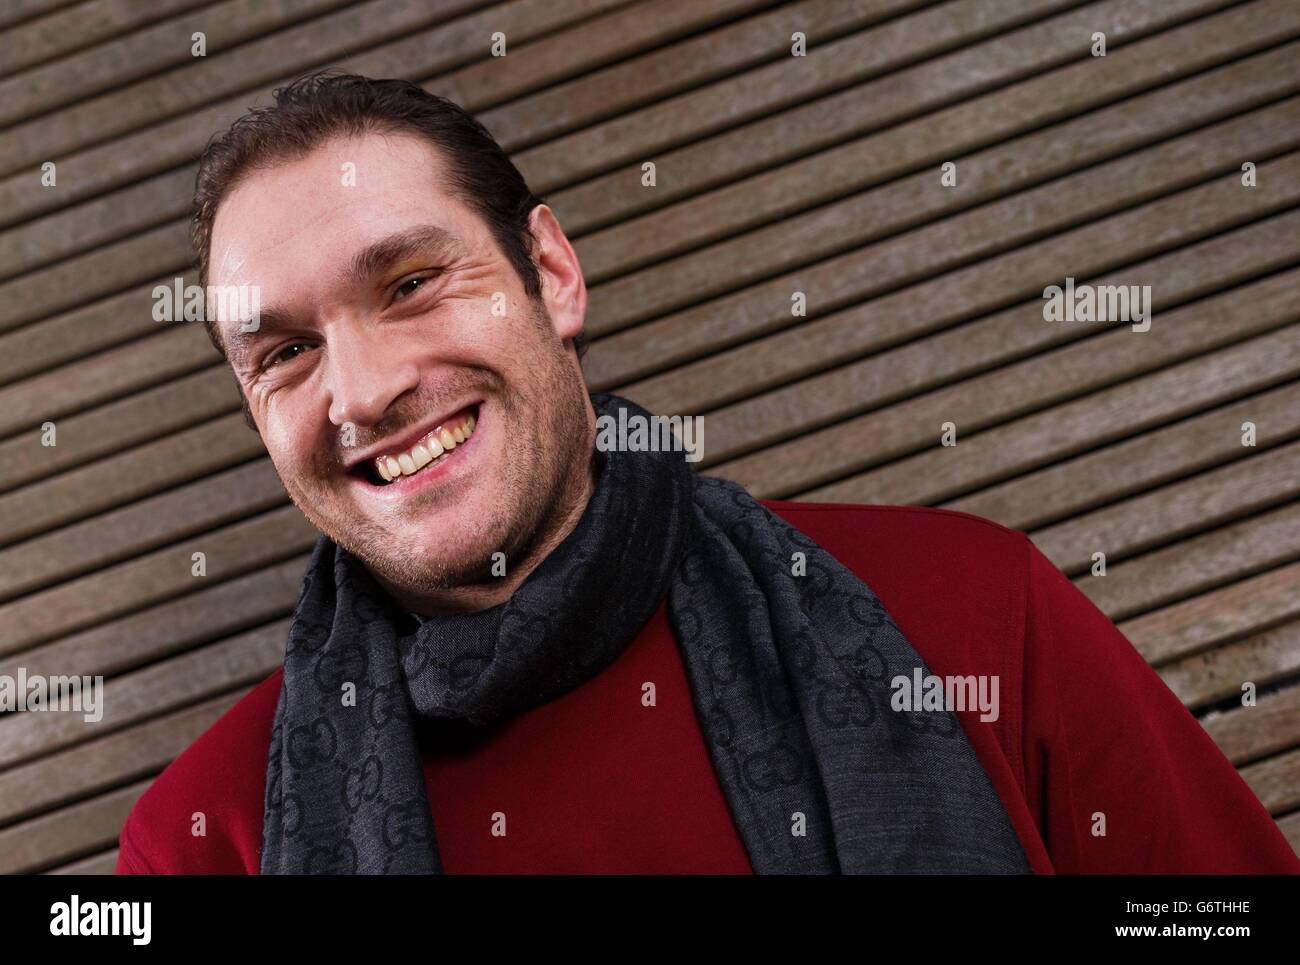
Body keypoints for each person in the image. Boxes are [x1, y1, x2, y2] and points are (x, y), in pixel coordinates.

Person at [116, 71, 1298, 874]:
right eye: (284, 352)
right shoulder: (203, 840)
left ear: (552, 275)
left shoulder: (973, 616)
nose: (363, 388)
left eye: (411, 282)